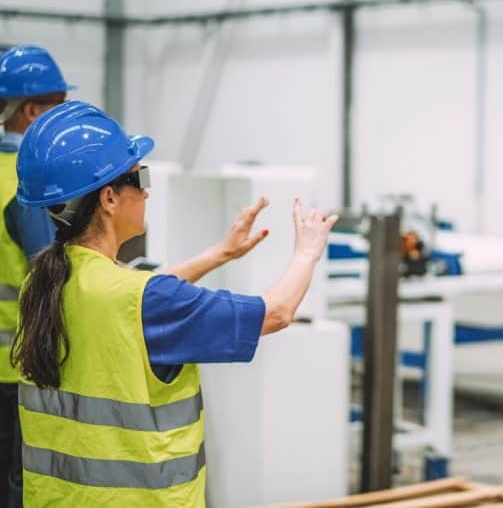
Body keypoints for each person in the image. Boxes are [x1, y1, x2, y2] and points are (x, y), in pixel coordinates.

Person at [11, 101, 337, 506]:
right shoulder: (143, 300)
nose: (146, 190)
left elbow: (140, 293)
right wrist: (307, 250)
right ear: (109, 198)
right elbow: (275, 312)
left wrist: (220, 253)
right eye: (139, 177)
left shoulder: (44, 283)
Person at [0, 45, 75, 508]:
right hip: (10, 368)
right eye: (58, 108)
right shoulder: (24, 183)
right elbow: (50, 273)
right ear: (31, 111)